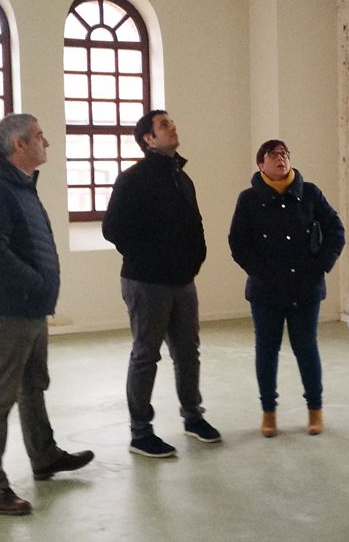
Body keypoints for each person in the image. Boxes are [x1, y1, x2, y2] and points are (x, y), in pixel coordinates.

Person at [0, 113, 94, 516]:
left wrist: (38, 291)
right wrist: (36, 283)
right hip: (6, 310)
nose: (47, 142)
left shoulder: (21, 185)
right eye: (40, 136)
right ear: (19, 144)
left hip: (27, 308)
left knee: (32, 385)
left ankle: (43, 456)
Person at [102, 110, 221, 458]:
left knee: (188, 352)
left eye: (172, 122)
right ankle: (140, 432)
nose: (173, 127)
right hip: (145, 281)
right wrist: (148, 256)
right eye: (164, 124)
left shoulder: (182, 179)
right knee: (145, 355)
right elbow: (113, 228)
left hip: (182, 281)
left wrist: (195, 260)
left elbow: (194, 225)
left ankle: (192, 416)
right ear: (148, 140)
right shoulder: (133, 180)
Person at [228, 140, 345, 437]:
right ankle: (269, 412)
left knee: (306, 348)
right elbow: (238, 243)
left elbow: (335, 229)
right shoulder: (248, 199)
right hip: (265, 291)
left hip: (305, 288)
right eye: (273, 155)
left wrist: (321, 265)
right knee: (266, 351)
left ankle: (315, 410)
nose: (281, 159)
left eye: (285, 154)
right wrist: (261, 272)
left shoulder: (310, 193)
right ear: (261, 164)